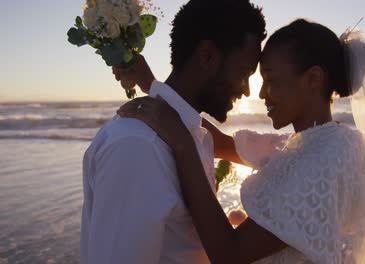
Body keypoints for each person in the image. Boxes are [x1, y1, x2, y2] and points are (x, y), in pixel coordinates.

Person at [118, 19, 365, 263]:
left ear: (313, 79)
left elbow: (229, 254)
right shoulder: (308, 145)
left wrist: (184, 147)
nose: (260, 93)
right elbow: (221, 143)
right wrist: (152, 86)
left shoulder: (327, 158)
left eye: (271, 79)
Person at [80, 0, 268, 263]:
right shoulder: (138, 147)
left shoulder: (192, 135)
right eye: (244, 73)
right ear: (207, 56)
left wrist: (153, 86)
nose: (247, 90)